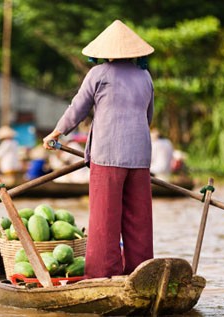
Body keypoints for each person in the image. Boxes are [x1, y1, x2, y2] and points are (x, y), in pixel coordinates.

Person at [42, 20, 155, 278]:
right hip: (140, 156)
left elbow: (77, 109)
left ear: (107, 52)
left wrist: (56, 134)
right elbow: (148, 116)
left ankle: (103, 275)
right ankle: (141, 274)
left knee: (105, 218)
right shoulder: (145, 76)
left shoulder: (99, 74)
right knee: (139, 220)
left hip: (107, 156)